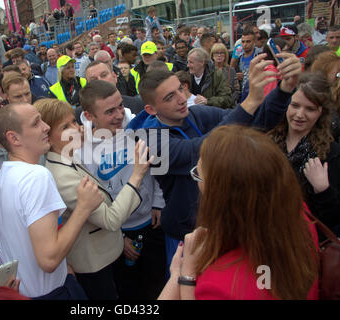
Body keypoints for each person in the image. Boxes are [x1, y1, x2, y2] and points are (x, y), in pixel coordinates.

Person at [126, 52, 303, 274]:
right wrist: (250, 101)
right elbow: (206, 148)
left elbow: (255, 124)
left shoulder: (197, 114)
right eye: (169, 97)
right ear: (151, 109)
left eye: (181, 89)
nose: (182, 99)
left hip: (225, 225)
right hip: (186, 235)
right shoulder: (150, 140)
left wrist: (285, 89)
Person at [158, 125, 319, 300]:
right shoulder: (300, 215)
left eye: (198, 175)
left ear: (222, 199)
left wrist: (184, 274)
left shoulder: (220, 286)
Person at [36, 98, 150, 300]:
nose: (76, 128)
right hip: (94, 266)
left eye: (73, 121)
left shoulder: (69, 156)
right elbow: (111, 219)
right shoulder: (61, 177)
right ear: (48, 138)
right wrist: (137, 175)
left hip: (105, 255)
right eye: (65, 127)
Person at [0, 102, 103, 299]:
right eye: (36, 124)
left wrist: (64, 267)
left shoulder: (2, 175)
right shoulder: (36, 176)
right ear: (13, 138)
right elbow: (49, 259)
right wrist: (84, 208)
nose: (46, 127)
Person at [77, 80, 166, 300]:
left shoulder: (138, 125)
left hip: (152, 224)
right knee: (128, 292)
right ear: (89, 116)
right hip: (116, 236)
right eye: (109, 111)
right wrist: (118, 236)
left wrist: (158, 202)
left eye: (119, 106)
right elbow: (92, 202)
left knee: (157, 286)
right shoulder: (80, 148)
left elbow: (159, 166)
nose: (119, 115)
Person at [268, 72, 340, 233]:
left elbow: (333, 219)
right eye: (295, 106)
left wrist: (323, 190)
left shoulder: (330, 153)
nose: (300, 115)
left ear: (321, 112)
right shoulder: (268, 142)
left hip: (304, 243)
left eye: (310, 109)